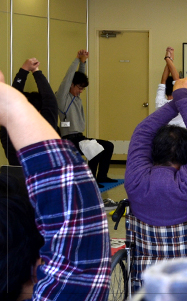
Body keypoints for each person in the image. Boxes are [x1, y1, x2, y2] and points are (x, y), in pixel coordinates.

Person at [0, 68, 111, 301]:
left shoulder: (5, 131)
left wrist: (18, 80)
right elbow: (51, 100)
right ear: (36, 266)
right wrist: (31, 78)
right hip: (38, 182)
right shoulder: (55, 107)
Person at [125, 74, 187, 227]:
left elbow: (142, 132)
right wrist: (182, 97)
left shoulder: (135, 181)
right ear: (186, 154)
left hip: (144, 250)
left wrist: (178, 100)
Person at [56, 50, 115, 187]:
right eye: (79, 88)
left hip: (79, 137)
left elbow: (80, 77)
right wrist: (77, 59)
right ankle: (90, 180)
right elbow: (69, 76)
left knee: (108, 146)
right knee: (95, 149)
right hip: (68, 139)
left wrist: (83, 63)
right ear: (71, 85)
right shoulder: (62, 98)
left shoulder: (76, 97)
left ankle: (102, 176)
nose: (81, 91)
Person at [0, 58, 59, 165]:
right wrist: (35, 71)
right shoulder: (44, 133)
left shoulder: (7, 131)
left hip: (16, 179)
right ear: (39, 113)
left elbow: (10, 102)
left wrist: (24, 70)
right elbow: (50, 101)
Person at [155, 46, 185, 127]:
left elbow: (163, 82)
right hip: (182, 137)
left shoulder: (160, 103)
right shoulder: (180, 101)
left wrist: (169, 59)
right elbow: (177, 80)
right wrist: (168, 59)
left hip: (164, 137)